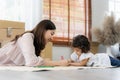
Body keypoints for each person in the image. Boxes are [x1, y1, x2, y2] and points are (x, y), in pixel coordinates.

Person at [0, 20, 68, 66]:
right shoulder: (27, 37)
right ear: (43, 30)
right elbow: (31, 62)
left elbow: (32, 61)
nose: (52, 38)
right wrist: (59, 63)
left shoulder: (35, 43)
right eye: (52, 33)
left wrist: (45, 61)